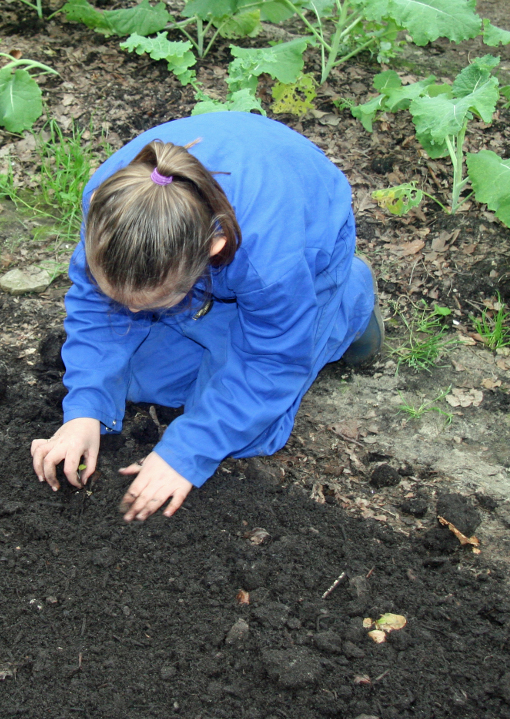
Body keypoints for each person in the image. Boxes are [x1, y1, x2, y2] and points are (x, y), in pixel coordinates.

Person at [30, 111, 382, 522]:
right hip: (215, 258)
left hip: (304, 254)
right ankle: (203, 320)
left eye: (148, 301)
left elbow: (273, 360)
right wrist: (85, 411)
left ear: (211, 252)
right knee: (143, 386)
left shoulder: (269, 263)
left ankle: (348, 302)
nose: (129, 312)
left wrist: (185, 454)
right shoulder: (110, 207)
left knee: (247, 431)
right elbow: (93, 307)